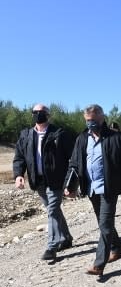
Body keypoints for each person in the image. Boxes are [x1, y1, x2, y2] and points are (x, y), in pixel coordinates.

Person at [64, 104, 121, 275]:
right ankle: (117, 248)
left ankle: (99, 264)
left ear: (101, 118)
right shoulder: (82, 138)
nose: (89, 123)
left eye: (92, 120)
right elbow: (74, 164)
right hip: (91, 188)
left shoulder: (116, 138)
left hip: (109, 188)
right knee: (103, 223)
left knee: (105, 224)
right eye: (87, 121)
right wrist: (69, 186)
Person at [13, 103, 75, 260]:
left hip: (56, 180)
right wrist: (19, 174)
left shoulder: (59, 134)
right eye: (35, 112)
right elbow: (19, 156)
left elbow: (73, 158)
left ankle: (51, 246)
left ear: (48, 115)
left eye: (41, 112)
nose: (38, 114)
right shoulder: (26, 135)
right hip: (38, 180)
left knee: (52, 210)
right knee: (53, 210)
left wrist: (71, 182)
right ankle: (66, 238)